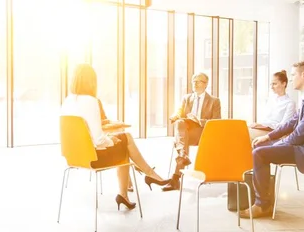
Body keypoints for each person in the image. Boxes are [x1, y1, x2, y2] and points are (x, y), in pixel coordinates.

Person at [61, 64, 170, 210]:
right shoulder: (91, 101)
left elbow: (82, 134)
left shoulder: (67, 101)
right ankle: (148, 174)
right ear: (91, 81)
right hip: (92, 159)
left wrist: (112, 139)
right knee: (126, 140)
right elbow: (99, 140)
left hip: (73, 157)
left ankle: (126, 194)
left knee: (123, 142)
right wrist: (111, 139)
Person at [240, 60, 304, 218]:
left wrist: (276, 144)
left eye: (293, 75)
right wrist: (268, 136)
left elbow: (299, 135)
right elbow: (292, 122)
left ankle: (262, 204)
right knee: (260, 148)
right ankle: (262, 200)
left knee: (259, 153)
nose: (291, 78)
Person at [163, 72, 221, 191]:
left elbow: (216, 121)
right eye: (193, 81)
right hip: (187, 132)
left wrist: (200, 121)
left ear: (205, 84)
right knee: (180, 123)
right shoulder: (187, 98)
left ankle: (178, 171)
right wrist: (174, 116)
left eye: (198, 81)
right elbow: (179, 112)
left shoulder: (214, 101)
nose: (194, 83)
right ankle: (182, 158)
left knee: (181, 136)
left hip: (203, 133)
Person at [248, 70, 296, 140]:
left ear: (284, 84)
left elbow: (283, 126)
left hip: (274, 133)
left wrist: (263, 125)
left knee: (244, 133)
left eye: (274, 84)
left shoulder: (290, 103)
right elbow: (265, 119)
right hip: (264, 129)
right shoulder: (271, 100)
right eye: (271, 84)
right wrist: (259, 125)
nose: (271, 87)